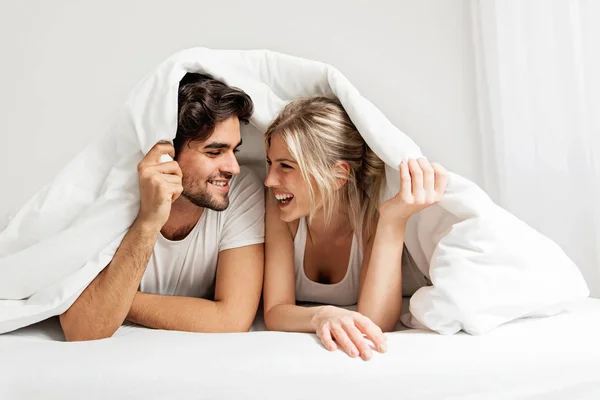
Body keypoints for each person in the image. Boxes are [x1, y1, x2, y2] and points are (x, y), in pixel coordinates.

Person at [59, 73, 265, 341]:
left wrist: (116, 301)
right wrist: (148, 222)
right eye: (214, 152)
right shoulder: (117, 198)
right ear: (167, 155)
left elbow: (231, 319)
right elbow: (83, 328)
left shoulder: (241, 190)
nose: (233, 168)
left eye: (234, 151)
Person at [263, 97, 448, 360]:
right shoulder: (280, 210)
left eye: (286, 166)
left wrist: (393, 221)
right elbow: (275, 311)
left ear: (338, 176)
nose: (269, 180)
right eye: (270, 163)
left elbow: (375, 322)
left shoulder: (371, 219)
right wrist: (322, 315)